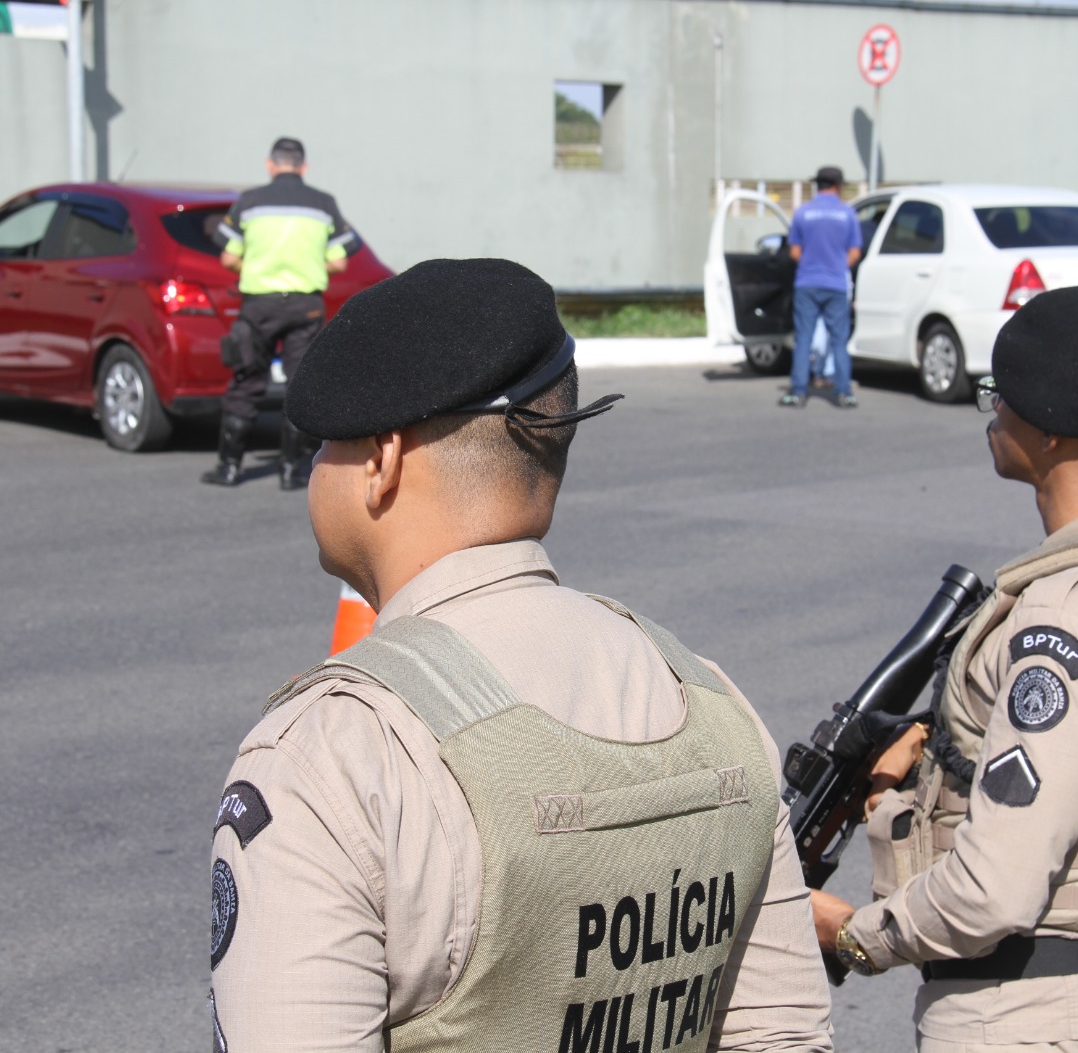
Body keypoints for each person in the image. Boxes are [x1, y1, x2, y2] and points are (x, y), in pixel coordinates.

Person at [207, 258, 834, 1052]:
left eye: (324, 444)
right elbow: (782, 1037)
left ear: (381, 462)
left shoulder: (331, 755)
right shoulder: (707, 699)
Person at [809, 286, 1078, 1053]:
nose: (993, 414)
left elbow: (993, 890)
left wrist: (850, 937)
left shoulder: (1067, 616)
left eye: (1000, 396)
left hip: (1021, 1022)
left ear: (1049, 431)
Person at [202, 136, 360, 489]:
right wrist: (307, 266)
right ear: (303, 167)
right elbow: (339, 260)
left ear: (271, 165)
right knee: (297, 384)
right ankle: (291, 471)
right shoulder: (323, 204)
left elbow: (228, 257)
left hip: (259, 305)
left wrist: (256, 265)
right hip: (305, 305)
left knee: (246, 381)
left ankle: (229, 468)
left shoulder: (250, 201)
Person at [781, 166, 862, 409]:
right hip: (835, 284)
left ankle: (798, 392)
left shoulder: (803, 213)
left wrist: (811, 263)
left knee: (804, 339)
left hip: (807, 282)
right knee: (839, 341)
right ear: (838, 186)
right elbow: (855, 252)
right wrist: (837, 265)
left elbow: (794, 251)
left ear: (818, 185)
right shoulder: (847, 214)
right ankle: (844, 393)